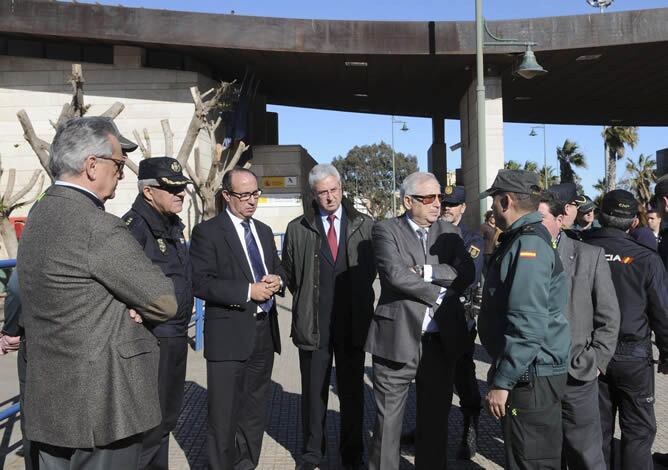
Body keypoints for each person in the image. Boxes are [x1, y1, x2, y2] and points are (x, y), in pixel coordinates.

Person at [17, 116, 178, 469]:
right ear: (92, 166)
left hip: (50, 406)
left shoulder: (38, 216)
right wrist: (134, 302)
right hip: (105, 409)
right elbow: (164, 300)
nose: (121, 173)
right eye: (119, 164)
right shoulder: (97, 225)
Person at [365, 171, 474, 470]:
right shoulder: (385, 230)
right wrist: (440, 293)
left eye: (439, 197)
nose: (437, 204)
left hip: (440, 343)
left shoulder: (451, 233)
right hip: (396, 339)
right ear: (408, 201)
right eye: (428, 198)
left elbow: (466, 274)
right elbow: (395, 274)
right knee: (388, 425)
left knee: (435, 422)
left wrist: (425, 272)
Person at [190, 167, 285, 470]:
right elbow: (201, 282)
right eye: (244, 195)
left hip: (263, 333)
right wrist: (248, 291)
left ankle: (246, 464)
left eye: (255, 193)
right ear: (226, 195)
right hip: (229, 337)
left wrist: (277, 281)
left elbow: (278, 267)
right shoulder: (208, 232)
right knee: (223, 413)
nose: (251, 201)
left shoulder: (264, 231)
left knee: (254, 410)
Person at [281, 164, 375, 470]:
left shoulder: (364, 225)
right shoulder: (298, 228)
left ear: (342, 189)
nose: (330, 197)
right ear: (314, 194)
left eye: (334, 190)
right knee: (313, 394)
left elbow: (371, 270)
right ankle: (311, 454)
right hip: (314, 324)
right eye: (323, 192)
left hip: (353, 324)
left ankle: (352, 454)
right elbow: (292, 274)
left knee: (353, 394)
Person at [478, 169, 570, 470]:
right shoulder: (521, 239)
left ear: (505, 201)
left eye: (493, 201)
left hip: (531, 376)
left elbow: (527, 323)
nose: (491, 208)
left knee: (531, 461)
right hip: (528, 371)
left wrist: (503, 382)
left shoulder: (527, 245)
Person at [582, 189, 668, 470]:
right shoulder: (646, 258)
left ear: (600, 215)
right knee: (638, 433)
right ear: (634, 221)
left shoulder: (579, 249)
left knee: (597, 432)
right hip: (633, 357)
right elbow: (662, 313)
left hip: (589, 354)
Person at [540, 190, 620, 470]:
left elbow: (609, 316)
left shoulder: (589, 255)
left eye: (540, 218)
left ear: (560, 219)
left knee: (587, 457)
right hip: (534, 378)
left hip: (578, 375)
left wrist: (596, 361)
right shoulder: (517, 254)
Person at [122, 157, 194, 470]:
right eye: (172, 189)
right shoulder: (134, 228)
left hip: (174, 336)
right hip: (152, 340)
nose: (180, 194)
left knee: (165, 422)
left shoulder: (170, 225)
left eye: (182, 189)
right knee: (149, 428)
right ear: (149, 192)